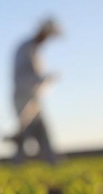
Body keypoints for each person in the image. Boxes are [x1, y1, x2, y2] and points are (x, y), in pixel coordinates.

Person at [10, 18, 61, 165]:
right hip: (23, 97)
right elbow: (26, 75)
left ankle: (52, 162)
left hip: (33, 98)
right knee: (25, 131)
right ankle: (18, 165)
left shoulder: (34, 49)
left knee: (41, 130)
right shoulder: (26, 48)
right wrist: (46, 78)